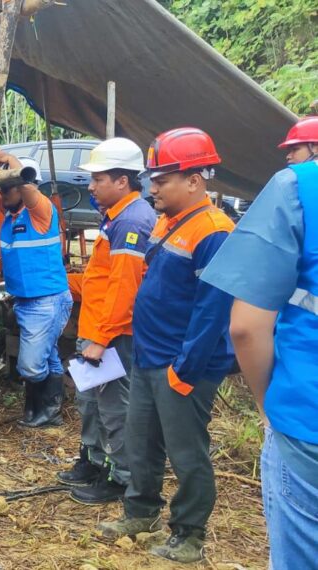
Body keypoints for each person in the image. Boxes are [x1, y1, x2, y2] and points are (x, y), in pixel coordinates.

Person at [98, 128, 235, 564]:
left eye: (162, 179)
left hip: (182, 365)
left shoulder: (214, 231)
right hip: (149, 355)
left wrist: (185, 370)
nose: (151, 186)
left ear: (194, 181)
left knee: (187, 452)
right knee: (142, 442)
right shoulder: (167, 221)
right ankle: (141, 513)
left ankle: (189, 533)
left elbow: (212, 312)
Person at [199, 120, 318, 569]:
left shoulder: (297, 190)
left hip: (306, 418)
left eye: (298, 148)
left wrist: (270, 406)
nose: (289, 156)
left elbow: (245, 327)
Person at [58, 138, 156, 505]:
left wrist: (101, 338)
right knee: (92, 403)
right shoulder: (115, 217)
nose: (91, 186)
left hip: (113, 336)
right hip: (96, 329)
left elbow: (124, 290)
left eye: (98, 179)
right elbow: (101, 279)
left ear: (122, 181)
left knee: (115, 408)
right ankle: (95, 461)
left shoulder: (132, 221)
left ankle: (121, 478)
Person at [0, 151, 73, 429]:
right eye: (1, 188)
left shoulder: (40, 211)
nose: (3, 193)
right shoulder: (10, 214)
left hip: (47, 300)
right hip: (26, 301)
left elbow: (26, 187)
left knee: (30, 365)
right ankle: (42, 411)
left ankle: (47, 410)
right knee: (46, 355)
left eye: (9, 186)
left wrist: (12, 161)